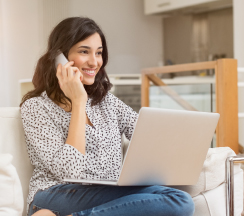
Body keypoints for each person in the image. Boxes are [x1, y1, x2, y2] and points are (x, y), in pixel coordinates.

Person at [20, 17, 195, 216]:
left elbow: (147, 135)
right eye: (84, 51)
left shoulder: (107, 102)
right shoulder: (36, 107)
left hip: (106, 191)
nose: (94, 62)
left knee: (177, 199)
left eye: (99, 53)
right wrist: (78, 102)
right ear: (60, 57)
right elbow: (69, 171)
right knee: (178, 201)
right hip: (54, 194)